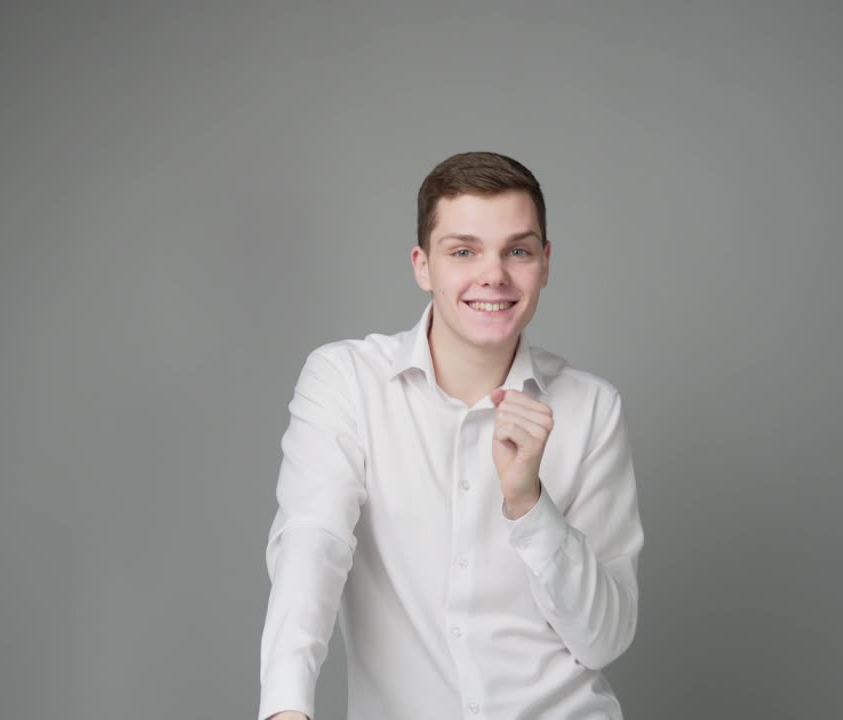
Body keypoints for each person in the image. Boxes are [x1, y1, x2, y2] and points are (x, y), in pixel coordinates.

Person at [258, 151, 645, 720]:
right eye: (463, 251)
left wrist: (530, 505)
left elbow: (604, 639)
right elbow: (313, 543)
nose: (494, 275)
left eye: (518, 250)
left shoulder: (591, 409)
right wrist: (286, 708)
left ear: (545, 263)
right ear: (422, 265)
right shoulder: (346, 382)